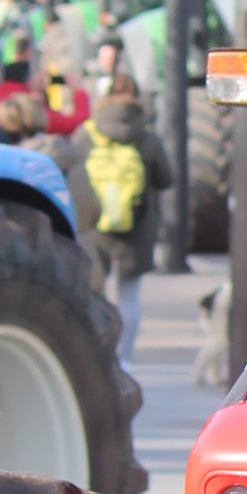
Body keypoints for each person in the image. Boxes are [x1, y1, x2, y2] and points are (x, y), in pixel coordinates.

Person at [70, 73, 173, 364]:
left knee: (94, 292)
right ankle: (125, 359)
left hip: (92, 222)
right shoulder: (147, 137)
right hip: (137, 226)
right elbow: (166, 179)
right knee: (129, 293)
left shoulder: (86, 133)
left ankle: (98, 355)